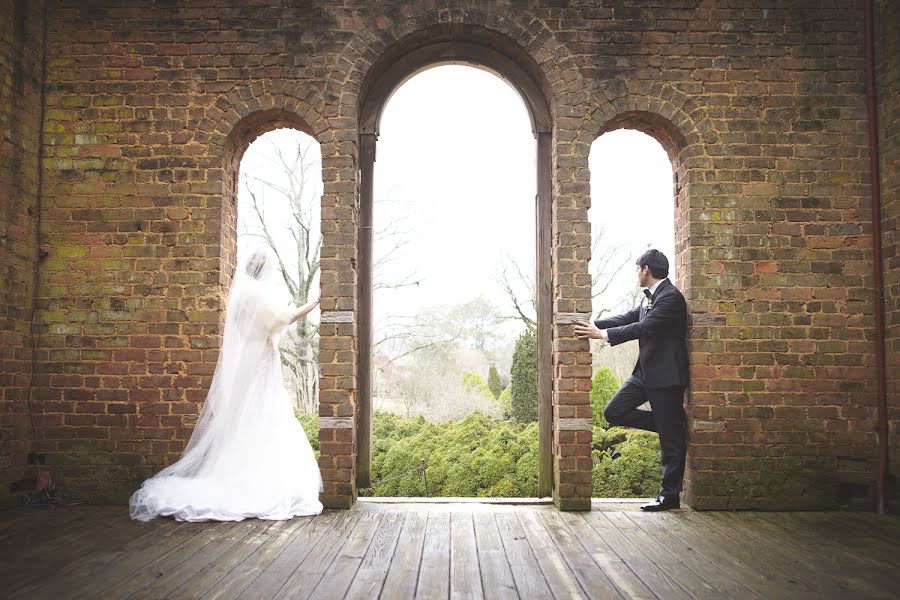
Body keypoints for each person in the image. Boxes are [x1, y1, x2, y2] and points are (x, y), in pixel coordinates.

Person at [129, 247, 323, 522]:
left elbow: (242, 326)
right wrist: (314, 303)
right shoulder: (258, 295)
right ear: (264, 271)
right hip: (262, 358)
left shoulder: (241, 295)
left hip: (248, 358)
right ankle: (257, 479)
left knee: (246, 414)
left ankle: (233, 469)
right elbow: (284, 319)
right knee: (266, 413)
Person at [574, 249, 689, 511]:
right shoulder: (651, 297)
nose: (636, 274)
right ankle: (670, 426)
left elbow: (643, 328)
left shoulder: (671, 298)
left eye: (637, 269)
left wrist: (601, 336)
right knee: (614, 411)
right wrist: (592, 325)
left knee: (670, 444)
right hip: (644, 374)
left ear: (645, 269)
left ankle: (668, 497)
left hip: (667, 377)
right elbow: (628, 318)